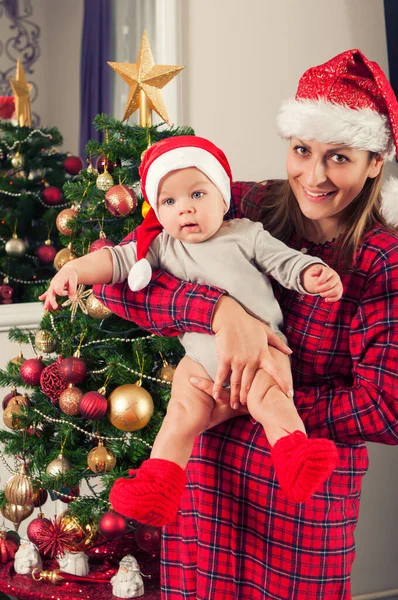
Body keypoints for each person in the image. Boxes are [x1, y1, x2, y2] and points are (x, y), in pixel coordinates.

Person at [90, 48, 398, 599]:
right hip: (204, 490)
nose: (315, 175)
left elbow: (387, 407)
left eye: (340, 158)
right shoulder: (241, 204)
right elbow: (123, 281)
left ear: (375, 161)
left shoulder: (382, 258)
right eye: (302, 150)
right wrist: (217, 312)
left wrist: (256, 396)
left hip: (299, 503)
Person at [39, 135, 341, 521]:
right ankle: (159, 483)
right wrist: (74, 269)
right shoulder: (162, 246)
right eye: (170, 201)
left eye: (198, 194)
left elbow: (285, 262)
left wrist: (312, 274)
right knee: (181, 412)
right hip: (200, 360)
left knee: (272, 399)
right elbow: (115, 262)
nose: (185, 210)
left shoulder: (245, 234)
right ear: (158, 210)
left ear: (221, 196)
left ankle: (296, 457)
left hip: (259, 351)